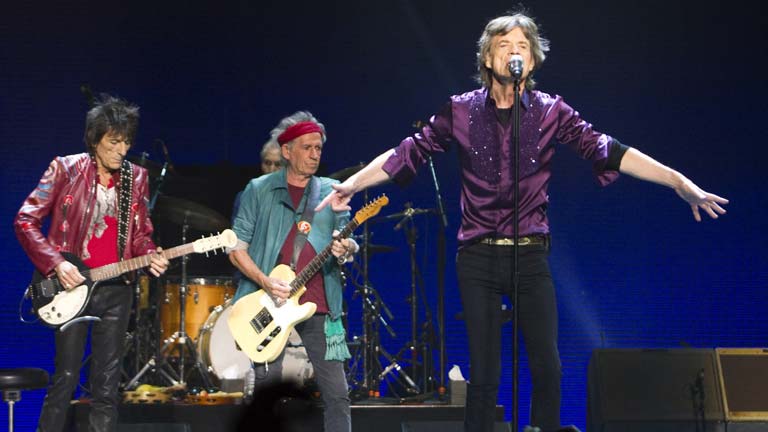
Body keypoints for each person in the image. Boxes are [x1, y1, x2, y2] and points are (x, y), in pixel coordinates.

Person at [316, 12, 728, 432]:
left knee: (548, 367)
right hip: (477, 257)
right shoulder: (461, 110)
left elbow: (610, 149)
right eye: (504, 45)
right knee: (485, 373)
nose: (514, 52)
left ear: (531, 61)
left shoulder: (550, 111)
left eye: (522, 47)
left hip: (530, 256)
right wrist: (353, 183)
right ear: (487, 57)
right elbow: (409, 151)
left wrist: (678, 181)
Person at [14, 95, 170, 432]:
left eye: (126, 142)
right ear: (95, 139)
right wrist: (56, 263)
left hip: (116, 289)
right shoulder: (65, 169)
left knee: (107, 385)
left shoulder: (136, 177)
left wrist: (150, 254)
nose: (121, 150)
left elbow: (140, 234)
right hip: (71, 287)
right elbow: (25, 220)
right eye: (114, 142)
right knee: (66, 377)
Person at [228, 111, 358, 432]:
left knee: (337, 394)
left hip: (319, 303)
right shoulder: (258, 189)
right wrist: (265, 281)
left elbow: (347, 241)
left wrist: (347, 248)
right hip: (268, 303)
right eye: (307, 148)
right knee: (267, 394)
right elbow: (236, 248)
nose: (314, 155)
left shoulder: (331, 191)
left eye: (318, 148)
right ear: (286, 151)